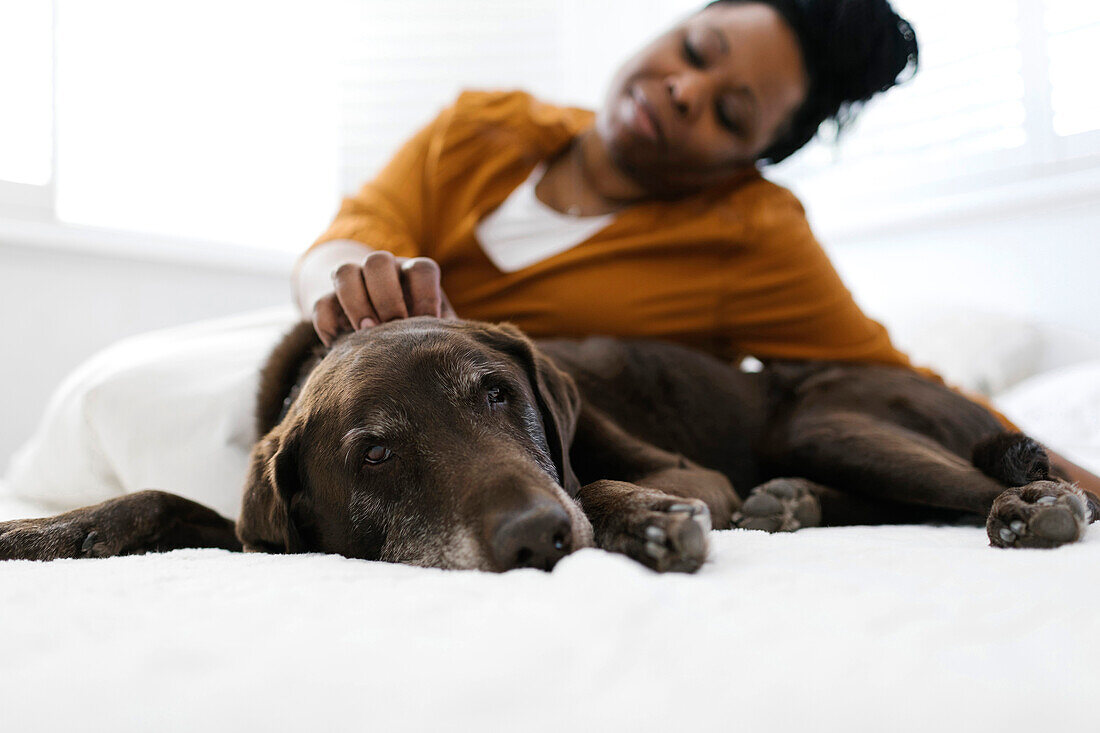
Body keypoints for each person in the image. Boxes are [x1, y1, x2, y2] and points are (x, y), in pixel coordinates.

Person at [293, 0, 1100, 494]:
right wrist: (351, 280)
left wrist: (1069, 475)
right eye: (696, 51)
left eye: (728, 114)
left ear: (743, 161)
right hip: (350, 396)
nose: (684, 91)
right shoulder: (481, 128)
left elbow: (891, 379)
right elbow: (350, 234)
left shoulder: (749, 232)